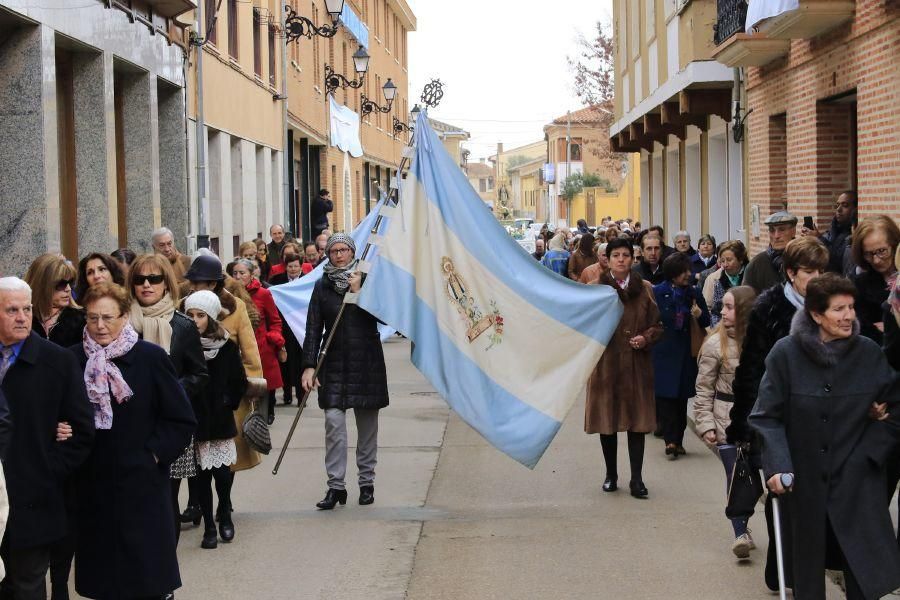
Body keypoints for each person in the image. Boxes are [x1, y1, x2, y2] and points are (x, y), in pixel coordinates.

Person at [750, 273, 900, 600]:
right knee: (806, 574)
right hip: (803, 482)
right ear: (816, 315)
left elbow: (896, 410)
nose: (848, 316)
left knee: (864, 572)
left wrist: (871, 453)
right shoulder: (785, 354)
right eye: (838, 309)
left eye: (851, 307)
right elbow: (766, 416)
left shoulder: (868, 353)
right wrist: (778, 465)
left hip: (858, 482)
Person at [72, 283, 196, 600]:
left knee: (146, 581)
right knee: (104, 584)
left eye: (108, 318)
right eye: (92, 318)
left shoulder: (150, 358)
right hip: (92, 488)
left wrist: (152, 456)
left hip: (141, 486)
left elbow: (180, 419)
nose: (100, 326)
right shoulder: (71, 360)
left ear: (126, 316)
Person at [725, 236, 828, 591]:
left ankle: (797, 567)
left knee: (812, 498)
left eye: (821, 270)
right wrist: (742, 423)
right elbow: (751, 368)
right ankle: (782, 567)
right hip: (776, 417)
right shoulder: (769, 307)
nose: (816, 278)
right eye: (809, 272)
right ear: (790, 273)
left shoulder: (831, 306)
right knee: (781, 494)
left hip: (820, 418)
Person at [0, 277, 94, 600]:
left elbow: (82, 432)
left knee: (28, 585)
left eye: (26, 309)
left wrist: (46, 470)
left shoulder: (57, 361)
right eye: (12, 310)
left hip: (33, 498)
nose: (22, 317)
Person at [301, 234, 388, 510]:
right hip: (334, 361)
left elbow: (385, 316)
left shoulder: (368, 281)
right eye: (333, 251)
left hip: (366, 361)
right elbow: (313, 327)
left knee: (367, 429)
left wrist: (362, 291)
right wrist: (309, 365)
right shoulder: (322, 286)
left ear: (353, 252)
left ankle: (366, 483)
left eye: (343, 250)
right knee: (334, 425)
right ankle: (336, 486)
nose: (338, 255)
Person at [128, 254, 207, 546]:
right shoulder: (122, 323)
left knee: (165, 498)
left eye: (154, 279)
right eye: (140, 279)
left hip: (168, 425)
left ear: (166, 284)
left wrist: (171, 391)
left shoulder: (183, 326)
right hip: (130, 423)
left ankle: (164, 574)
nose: (146, 285)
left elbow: (199, 374)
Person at [180, 254, 264, 526]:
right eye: (194, 283)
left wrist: (250, 386)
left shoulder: (235, 306)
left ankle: (224, 503)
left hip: (229, 389)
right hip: (196, 393)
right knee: (197, 452)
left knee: (228, 453)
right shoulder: (183, 307)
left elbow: (249, 349)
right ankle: (197, 503)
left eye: (203, 283)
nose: (197, 288)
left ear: (215, 284)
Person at [585, 238, 662, 499]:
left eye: (626, 255)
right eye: (615, 255)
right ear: (607, 259)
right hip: (606, 365)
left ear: (633, 258)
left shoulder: (646, 288)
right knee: (608, 421)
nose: (621, 259)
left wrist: (646, 337)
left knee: (636, 423)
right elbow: (585, 325)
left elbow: (658, 325)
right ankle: (611, 474)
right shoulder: (596, 289)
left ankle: (637, 479)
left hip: (636, 365)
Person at [692, 285, 757, 558]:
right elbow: (704, 387)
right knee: (736, 476)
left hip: (758, 418)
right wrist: (705, 423)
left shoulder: (761, 341)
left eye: (730, 307)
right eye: (723, 306)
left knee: (758, 478)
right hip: (725, 418)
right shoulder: (714, 344)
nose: (723, 312)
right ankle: (740, 530)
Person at [183, 291, 248, 549]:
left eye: (200, 315)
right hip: (195, 419)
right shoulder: (184, 345)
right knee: (200, 478)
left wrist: (227, 401)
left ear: (210, 317)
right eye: (190, 315)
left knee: (222, 474)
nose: (195, 320)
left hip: (219, 419)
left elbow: (238, 381)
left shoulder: (226, 346)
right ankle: (209, 526)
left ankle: (225, 513)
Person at [652, 253, 711, 457]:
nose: (688, 274)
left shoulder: (693, 293)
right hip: (663, 351)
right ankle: (670, 441)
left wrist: (699, 315)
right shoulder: (657, 292)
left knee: (681, 400)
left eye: (689, 270)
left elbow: (706, 322)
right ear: (672, 274)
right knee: (665, 398)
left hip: (686, 353)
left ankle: (678, 439)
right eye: (683, 271)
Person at [232, 259, 283, 424]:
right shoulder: (228, 295)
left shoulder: (263, 294)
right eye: (235, 273)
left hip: (262, 352)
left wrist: (272, 337)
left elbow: (275, 321)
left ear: (251, 274)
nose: (238, 277)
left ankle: (260, 434)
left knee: (261, 396)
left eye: (242, 273)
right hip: (237, 352)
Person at [850, 215, 899, 345]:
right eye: (868, 254)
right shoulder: (859, 284)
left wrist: (890, 327)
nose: (876, 260)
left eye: (882, 251)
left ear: (894, 245)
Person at [23, 254, 86, 349]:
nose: (68, 289)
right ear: (42, 285)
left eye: (71, 283)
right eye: (61, 284)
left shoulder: (82, 319)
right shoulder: (23, 318)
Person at [273, 254, 305, 406]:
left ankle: (301, 396)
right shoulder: (276, 281)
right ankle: (286, 395)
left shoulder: (307, 281)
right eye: (290, 266)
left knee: (300, 363)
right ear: (286, 266)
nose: (293, 269)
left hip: (300, 328)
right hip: (283, 327)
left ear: (301, 266)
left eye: (296, 266)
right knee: (284, 362)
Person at [800, 191, 857, 274]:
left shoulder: (854, 235)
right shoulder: (831, 231)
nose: (839, 209)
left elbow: (840, 261)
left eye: (845, 205)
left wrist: (819, 239)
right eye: (837, 205)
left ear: (855, 209)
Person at [744, 210, 797, 293]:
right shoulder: (756, 264)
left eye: (782, 229)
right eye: (772, 230)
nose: (776, 236)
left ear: (793, 231)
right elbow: (745, 300)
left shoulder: (804, 259)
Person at [702, 240, 749, 328]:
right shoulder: (716, 279)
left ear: (741, 260)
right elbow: (712, 310)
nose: (725, 264)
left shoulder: (751, 275)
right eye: (722, 261)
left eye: (729, 260)